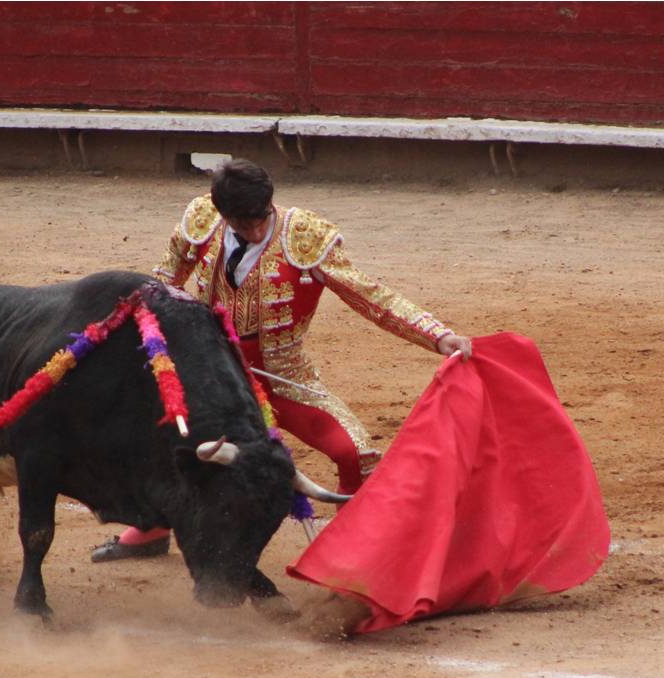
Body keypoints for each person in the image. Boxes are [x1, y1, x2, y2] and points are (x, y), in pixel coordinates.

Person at [92, 158, 472, 562]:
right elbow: (161, 285)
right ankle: (152, 528)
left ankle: (358, 550)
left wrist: (438, 335)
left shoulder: (305, 238)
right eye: (245, 225)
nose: (257, 231)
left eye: (262, 219)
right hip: (210, 373)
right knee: (163, 432)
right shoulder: (201, 221)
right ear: (223, 215)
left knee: (354, 451)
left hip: (281, 377)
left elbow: (371, 296)